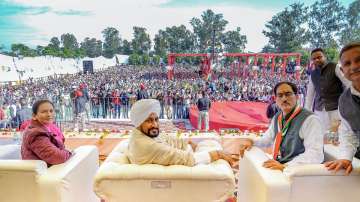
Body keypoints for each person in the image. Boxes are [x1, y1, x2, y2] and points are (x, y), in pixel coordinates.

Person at [239, 81, 324, 171]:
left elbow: (316, 154)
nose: (284, 99)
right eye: (280, 95)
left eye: (288, 94)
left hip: (297, 171)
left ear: (297, 96)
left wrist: (287, 166)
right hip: (281, 164)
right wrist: (252, 142)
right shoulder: (277, 117)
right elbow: (267, 139)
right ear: (275, 99)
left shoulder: (310, 119)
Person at [127, 99, 235, 166]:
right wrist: (217, 154)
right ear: (139, 122)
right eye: (149, 120)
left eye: (156, 119)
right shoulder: (146, 145)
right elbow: (184, 159)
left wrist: (188, 143)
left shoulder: (143, 134)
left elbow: (168, 139)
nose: (155, 124)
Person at [325, 42, 360, 175]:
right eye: (347, 63)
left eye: (358, 60)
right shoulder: (344, 101)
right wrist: (345, 158)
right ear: (342, 71)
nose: (354, 66)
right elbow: (348, 133)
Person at [305, 48, 350, 131]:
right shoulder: (313, 74)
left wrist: (348, 102)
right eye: (314, 59)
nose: (317, 60)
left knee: (339, 135)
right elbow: (309, 95)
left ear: (325, 56)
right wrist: (306, 113)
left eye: (319, 57)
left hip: (337, 109)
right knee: (323, 135)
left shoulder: (334, 67)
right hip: (320, 111)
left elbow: (348, 84)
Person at [21, 99, 72, 166]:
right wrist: (69, 153)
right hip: (44, 173)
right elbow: (56, 157)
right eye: (44, 112)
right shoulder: (36, 133)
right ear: (34, 116)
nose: (49, 114)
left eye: (51, 111)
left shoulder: (46, 127)